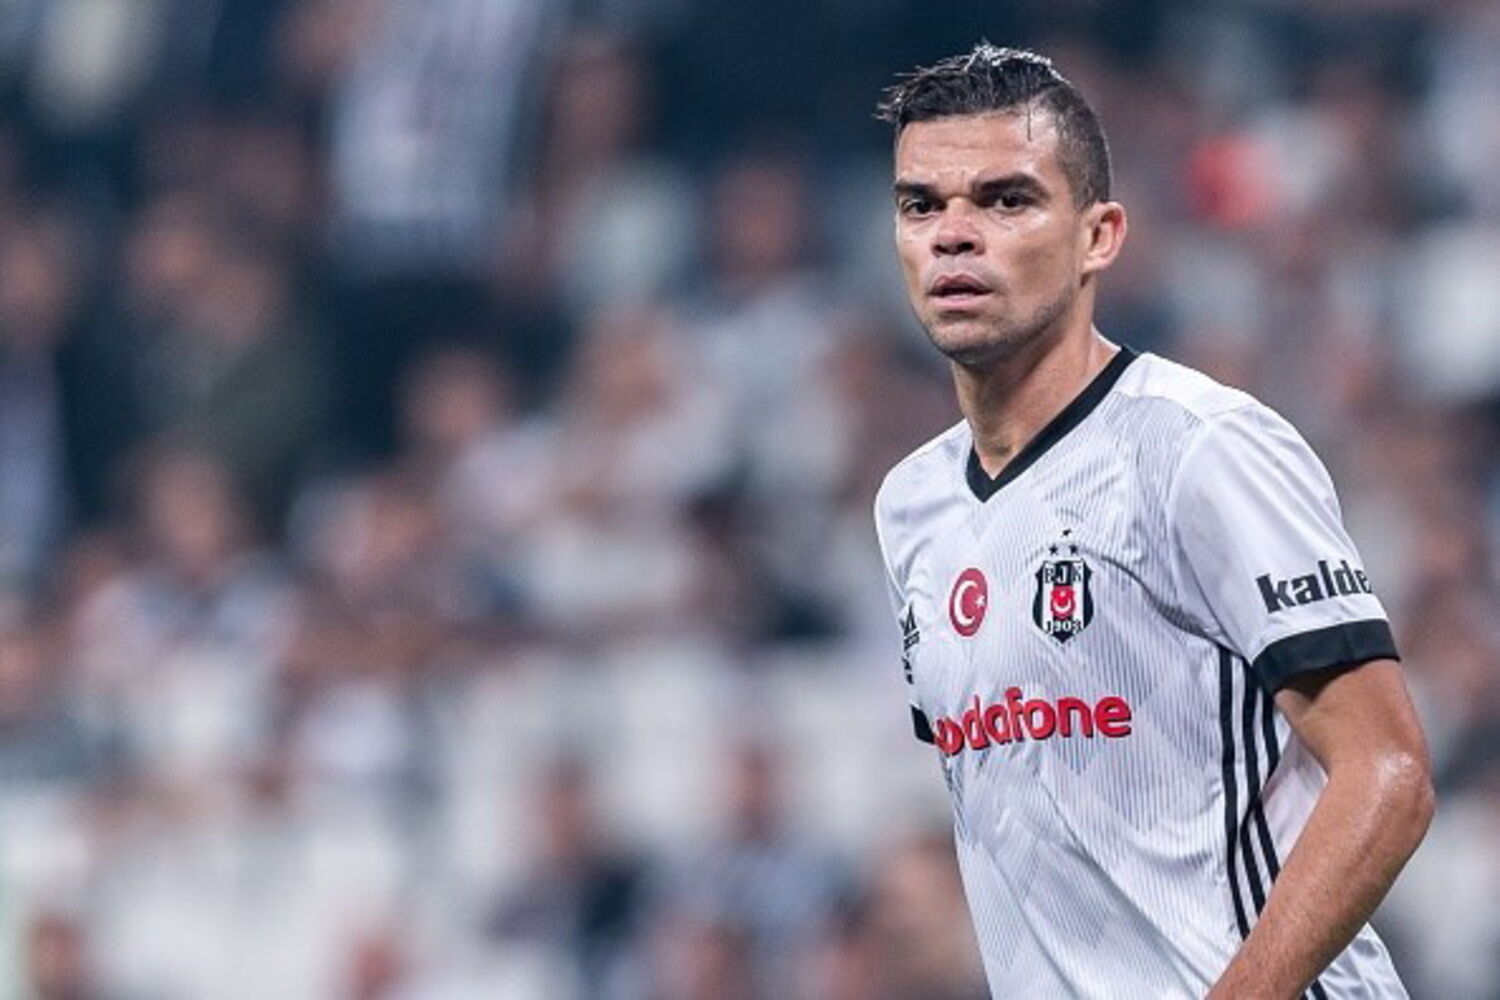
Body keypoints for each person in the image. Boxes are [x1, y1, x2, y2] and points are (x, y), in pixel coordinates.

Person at [870, 44, 1433, 999]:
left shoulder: (1201, 448)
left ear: (1100, 236)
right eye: (922, 205)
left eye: (1006, 200)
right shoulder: (911, 506)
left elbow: (1388, 772)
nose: (953, 235)